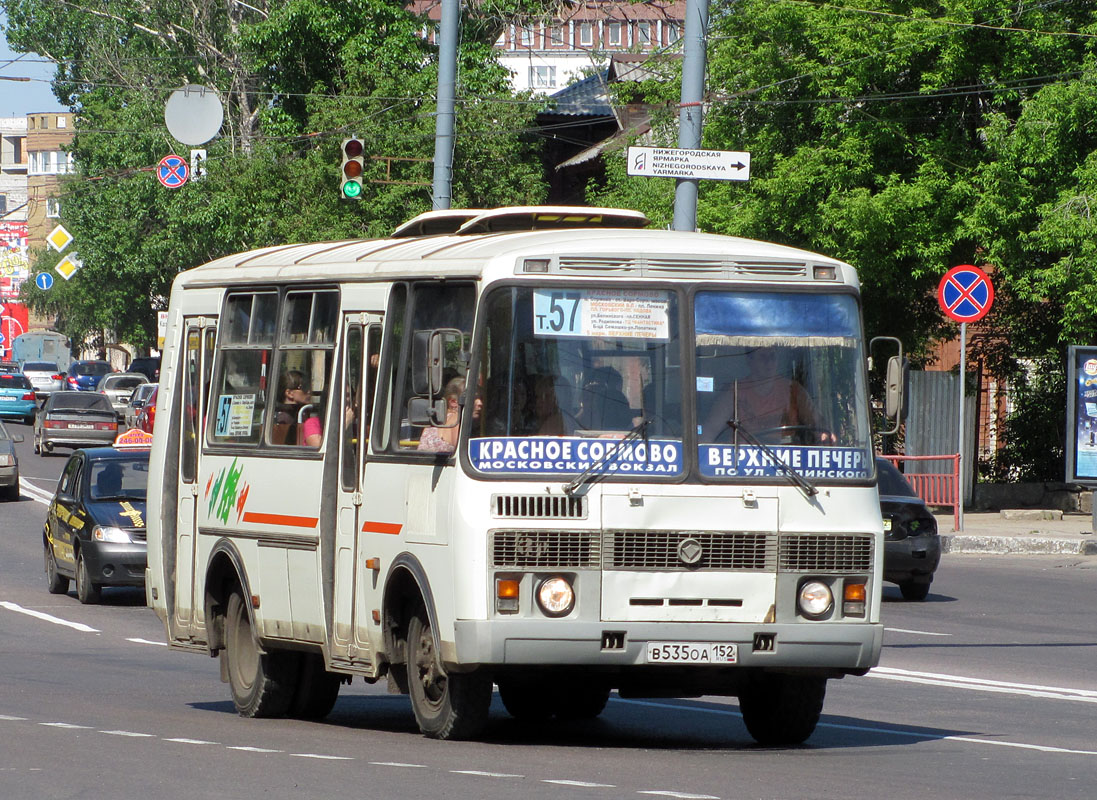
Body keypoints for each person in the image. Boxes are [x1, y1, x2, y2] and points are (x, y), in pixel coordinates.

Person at [704, 347, 825, 444]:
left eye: (772, 357)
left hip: (785, 462)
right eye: (763, 357)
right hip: (743, 461)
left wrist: (825, 436)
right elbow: (709, 432)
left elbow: (819, 425)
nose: (769, 362)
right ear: (749, 361)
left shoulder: (793, 390)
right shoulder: (735, 392)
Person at [418, 376, 472, 454]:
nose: (480, 403)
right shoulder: (457, 420)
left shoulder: (434, 420)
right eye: (473, 398)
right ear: (453, 402)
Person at [276, 369, 322, 447]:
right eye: (304, 387)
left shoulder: (303, 413)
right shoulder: (284, 419)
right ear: (289, 393)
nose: (308, 391)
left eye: (309, 387)